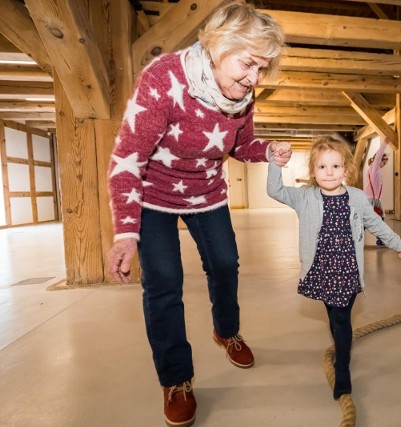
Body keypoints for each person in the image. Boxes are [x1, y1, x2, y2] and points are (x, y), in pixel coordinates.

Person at [106, 2, 290, 426]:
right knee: (163, 283)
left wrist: (268, 150)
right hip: (153, 196)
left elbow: (242, 147)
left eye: (262, 69)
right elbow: (128, 158)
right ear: (218, 47)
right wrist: (126, 232)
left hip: (207, 193)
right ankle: (176, 379)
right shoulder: (163, 79)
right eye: (248, 64)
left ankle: (226, 331)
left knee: (226, 264)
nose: (254, 79)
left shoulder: (244, 94)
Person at [266, 136, 401, 400]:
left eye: (335, 166)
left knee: (341, 319)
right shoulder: (305, 197)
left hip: (347, 271)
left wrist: (397, 242)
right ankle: (340, 348)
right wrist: (275, 162)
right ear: (313, 170)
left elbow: (375, 224)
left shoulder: (356, 197)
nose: (329, 172)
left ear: (346, 169)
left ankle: (342, 368)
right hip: (320, 270)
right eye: (322, 167)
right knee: (333, 316)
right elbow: (276, 191)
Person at [364, 138, 390, 246]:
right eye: (384, 162)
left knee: (380, 218)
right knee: (367, 220)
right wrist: (385, 143)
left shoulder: (376, 170)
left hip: (375, 199)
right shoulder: (374, 167)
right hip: (370, 199)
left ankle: (380, 239)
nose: (384, 164)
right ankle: (353, 238)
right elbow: (378, 155)